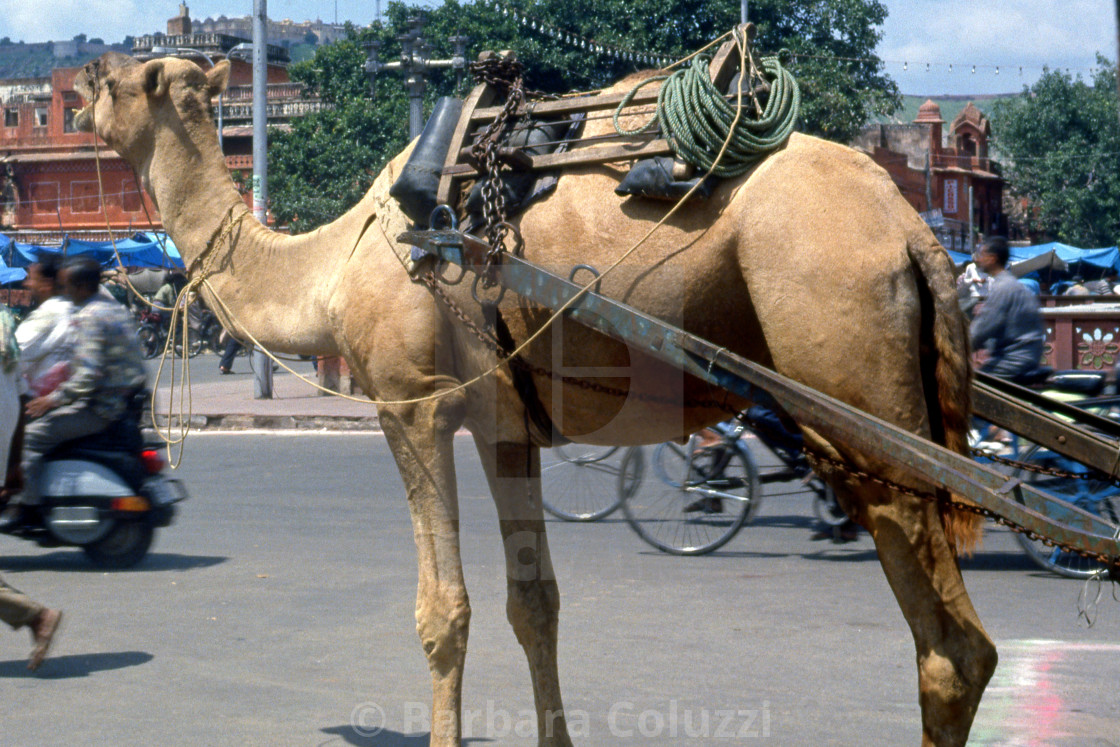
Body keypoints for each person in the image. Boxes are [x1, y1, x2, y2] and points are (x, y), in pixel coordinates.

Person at [16, 257, 148, 512]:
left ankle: (27, 506)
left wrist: (51, 399)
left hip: (100, 408)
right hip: (121, 403)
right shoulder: (113, 308)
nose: (63, 293)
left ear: (81, 287)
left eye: (66, 287)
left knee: (29, 438)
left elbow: (88, 375)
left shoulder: (90, 316)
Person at [0, 303, 62, 671]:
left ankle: (36, 616)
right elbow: (22, 401)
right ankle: (35, 617)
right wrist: (14, 464)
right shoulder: (6, 331)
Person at [970, 236, 1046, 382]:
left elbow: (980, 331)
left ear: (992, 258)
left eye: (981, 255)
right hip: (1028, 356)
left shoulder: (1002, 287)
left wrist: (956, 349)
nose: (978, 259)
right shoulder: (1011, 284)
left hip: (1014, 362)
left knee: (974, 385)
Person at [16, 254, 75, 398]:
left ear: (46, 285)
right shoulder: (73, 308)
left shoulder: (47, 314)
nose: (26, 284)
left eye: (30, 278)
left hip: (40, 403)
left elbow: (14, 354)